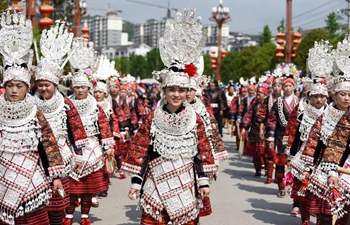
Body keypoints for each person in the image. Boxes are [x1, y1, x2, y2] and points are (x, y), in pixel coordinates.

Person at [121, 9, 217, 225]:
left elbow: (201, 154)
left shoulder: (195, 118)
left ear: (187, 93)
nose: (176, 94)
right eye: (171, 89)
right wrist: (137, 182)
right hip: (156, 178)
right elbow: (142, 151)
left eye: (181, 90)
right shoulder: (153, 117)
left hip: (184, 178)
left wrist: (202, 182)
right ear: (163, 90)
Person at [0, 12, 64, 225]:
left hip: (31, 174)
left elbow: (48, 144)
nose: (14, 90)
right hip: (3, 173)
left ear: (28, 88)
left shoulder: (34, 112)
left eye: (19, 86)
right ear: (4, 87)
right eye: (10, 86)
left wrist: (55, 175)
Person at [34, 21, 88, 225]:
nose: (43, 89)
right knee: (38, 204)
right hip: (37, 159)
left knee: (57, 202)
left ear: (54, 84)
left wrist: (78, 154)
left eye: (46, 85)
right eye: (40, 85)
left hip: (62, 156)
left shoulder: (65, 104)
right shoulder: (31, 103)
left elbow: (76, 129)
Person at [63, 38, 114, 225]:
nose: (79, 90)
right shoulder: (66, 104)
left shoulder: (95, 106)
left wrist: (108, 147)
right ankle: (68, 215)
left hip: (92, 147)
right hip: (71, 148)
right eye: (76, 87)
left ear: (89, 88)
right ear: (72, 88)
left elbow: (104, 127)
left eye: (83, 87)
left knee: (87, 188)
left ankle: (84, 216)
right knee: (71, 187)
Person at [284, 41, 331, 222]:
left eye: (322, 96)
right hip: (303, 154)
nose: (319, 99)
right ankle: (304, 218)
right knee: (303, 191)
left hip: (323, 155)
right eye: (315, 96)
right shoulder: (302, 111)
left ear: (326, 96)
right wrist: (291, 153)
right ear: (310, 96)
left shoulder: (330, 112)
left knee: (320, 192)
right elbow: (294, 133)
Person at [266, 69, 299, 197]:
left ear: (294, 87)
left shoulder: (299, 102)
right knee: (280, 162)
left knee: (295, 163)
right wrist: (270, 138)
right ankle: (281, 187)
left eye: (290, 85)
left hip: (296, 137)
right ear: (282, 88)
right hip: (281, 136)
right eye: (285, 85)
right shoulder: (278, 102)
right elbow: (272, 121)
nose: (287, 88)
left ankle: (294, 189)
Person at [240, 86, 268, 177]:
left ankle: (267, 170)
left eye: (261, 94)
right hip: (255, 130)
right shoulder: (254, 103)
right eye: (258, 93)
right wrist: (244, 127)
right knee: (256, 153)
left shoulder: (270, 104)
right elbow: (248, 115)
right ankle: (258, 170)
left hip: (266, 130)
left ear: (265, 95)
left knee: (266, 153)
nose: (258, 95)